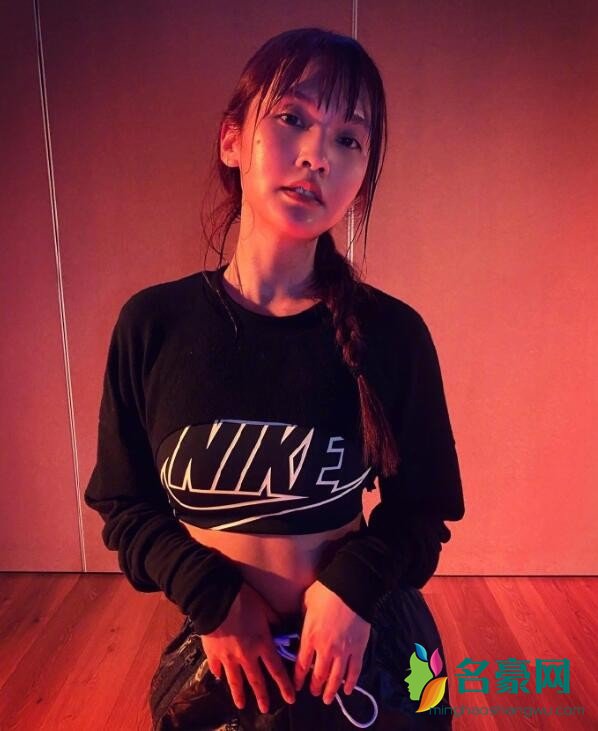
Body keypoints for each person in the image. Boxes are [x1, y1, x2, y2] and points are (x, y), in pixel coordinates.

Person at [84, 26, 465, 730]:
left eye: (349, 139)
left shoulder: (393, 335)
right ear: (232, 140)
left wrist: (352, 590)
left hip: (367, 651)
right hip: (225, 659)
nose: (318, 154)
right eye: (292, 118)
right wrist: (213, 598)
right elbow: (123, 502)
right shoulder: (153, 325)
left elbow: (424, 509)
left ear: (361, 174)